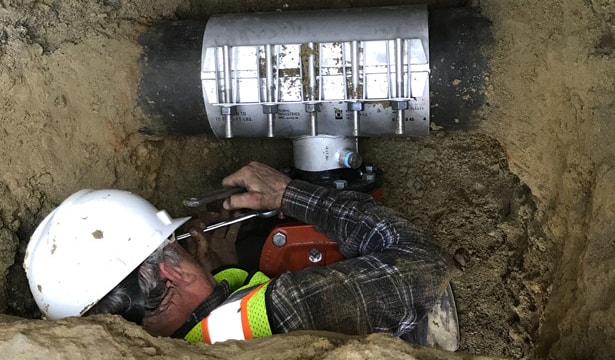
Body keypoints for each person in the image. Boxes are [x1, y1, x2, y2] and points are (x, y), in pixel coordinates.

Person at [24, 162, 455, 348]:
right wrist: (288, 192)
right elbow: (426, 263)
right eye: (178, 243)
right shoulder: (279, 311)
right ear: (172, 276)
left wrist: (226, 270)